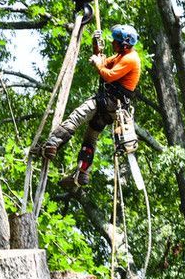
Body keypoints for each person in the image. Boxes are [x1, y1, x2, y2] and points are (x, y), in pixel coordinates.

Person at [43, 24, 141, 188]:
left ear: (124, 44)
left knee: (77, 115)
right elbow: (104, 62)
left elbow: (108, 76)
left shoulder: (130, 59)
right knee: (90, 136)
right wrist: (97, 49)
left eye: (115, 41)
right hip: (110, 105)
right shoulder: (120, 56)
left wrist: (97, 64)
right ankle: (82, 172)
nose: (112, 43)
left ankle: (52, 144)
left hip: (110, 101)